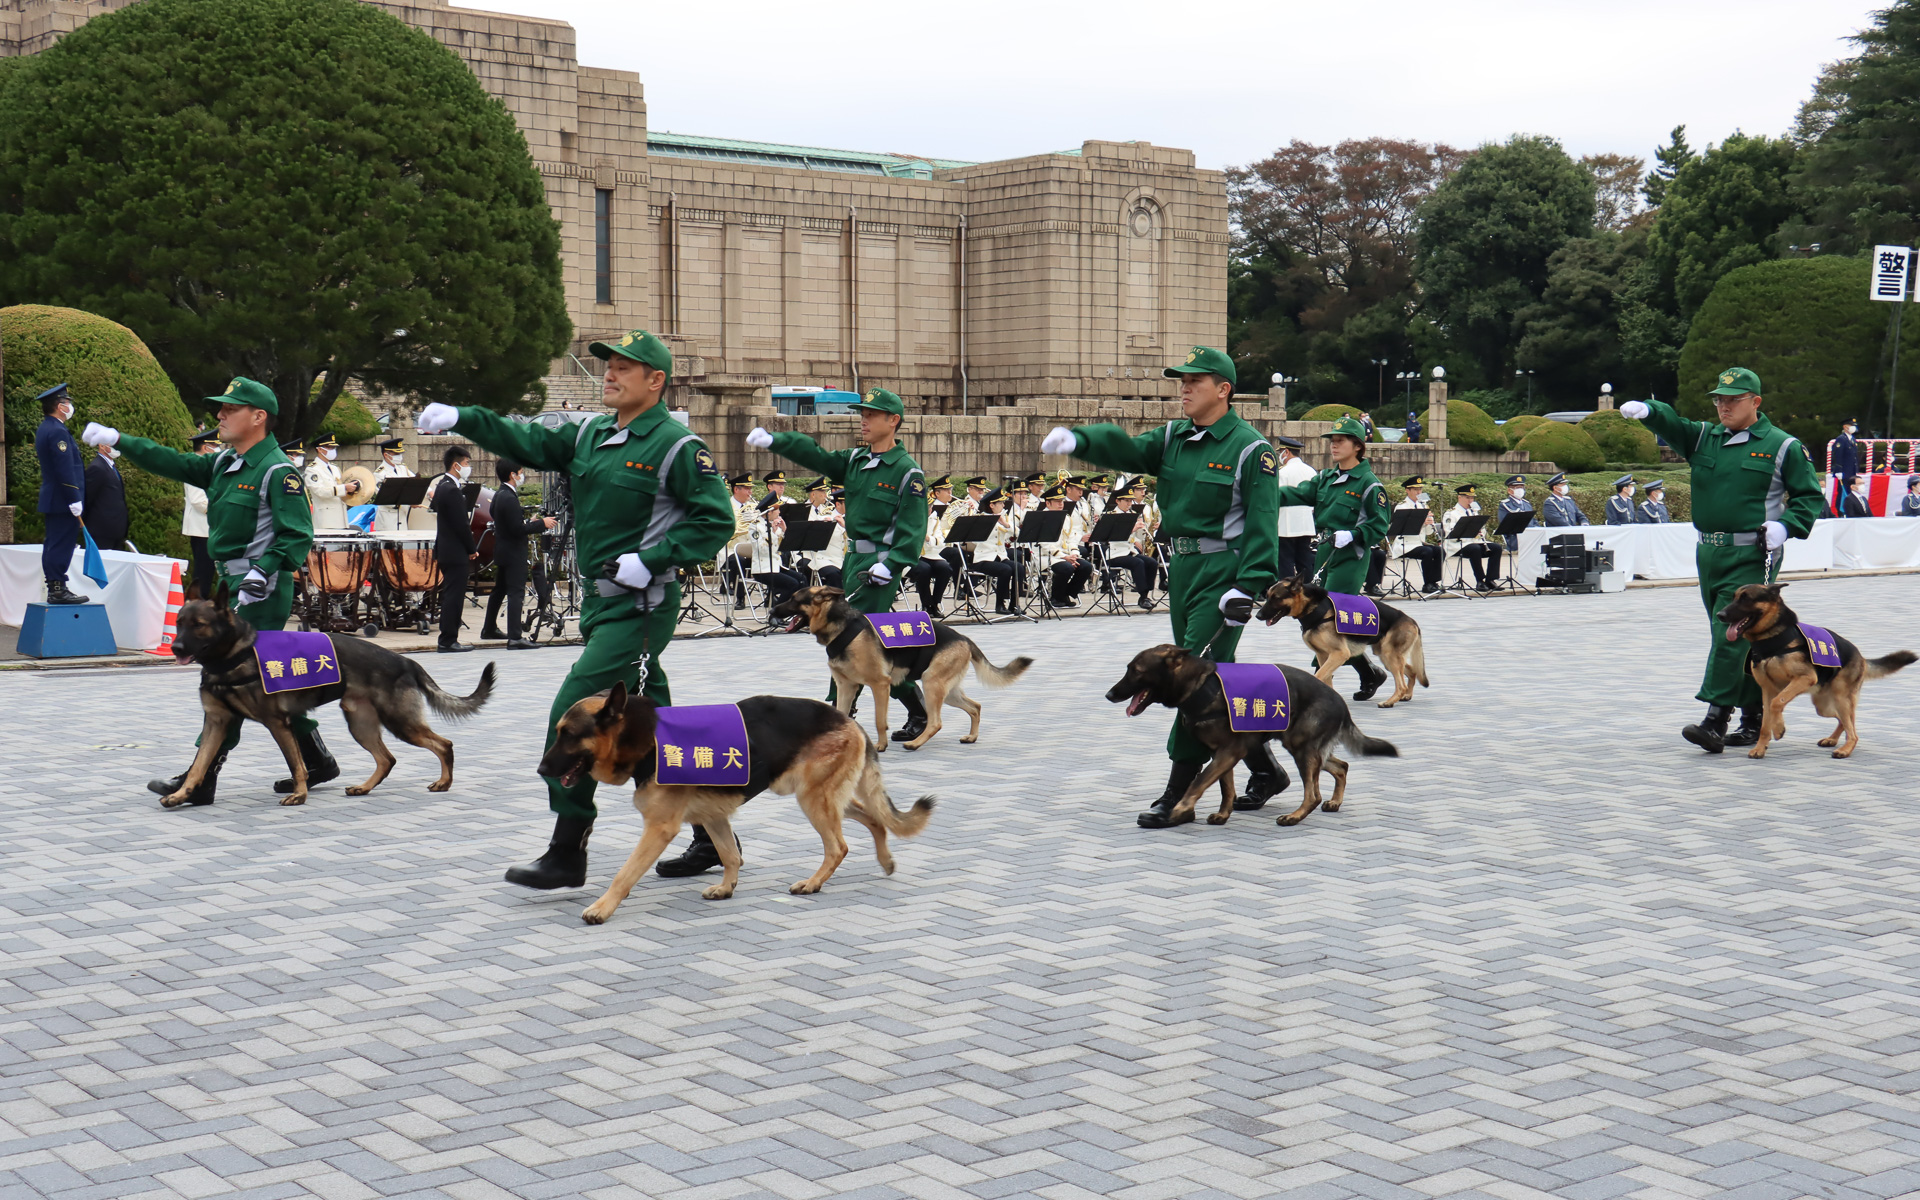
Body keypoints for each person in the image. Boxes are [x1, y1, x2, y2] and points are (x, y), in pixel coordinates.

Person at [412, 329, 735, 887]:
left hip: (641, 605)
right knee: (656, 724)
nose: (610, 373)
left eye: (624, 367)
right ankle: (710, 832)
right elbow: (528, 438)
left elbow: (716, 520)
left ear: (655, 381)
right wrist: (467, 417)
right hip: (599, 603)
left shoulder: (678, 447)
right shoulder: (589, 433)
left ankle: (568, 848)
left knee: (574, 718)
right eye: (608, 364)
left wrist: (654, 558)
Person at [1038, 344, 1286, 825]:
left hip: (1223, 571)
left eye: (1195, 381)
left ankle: (1180, 796)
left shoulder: (1251, 450)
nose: (1185, 389)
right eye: (1182, 381)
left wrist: (1249, 585)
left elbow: (1263, 521)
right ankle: (1264, 769)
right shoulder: (1174, 435)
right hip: (1184, 568)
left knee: (1187, 678)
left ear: (1224, 389)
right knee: (1215, 676)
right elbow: (1129, 449)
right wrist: (1079, 439)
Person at [90, 378, 329, 804]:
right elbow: (172, 461)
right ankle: (317, 759)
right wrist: (120, 439)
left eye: (230, 409)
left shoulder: (278, 471)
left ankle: (201, 779)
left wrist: (263, 571)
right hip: (231, 584)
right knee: (262, 681)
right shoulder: (225, 462)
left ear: (258, 417)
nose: (220, 414)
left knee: (228, 677)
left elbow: (296, 535)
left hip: (260, 589)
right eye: (221, 408)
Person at [1620, 366, 1826, 753]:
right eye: (1719, 399)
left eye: (1733, 400)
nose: (1724, 407)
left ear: (1755, 401)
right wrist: (1650, 410)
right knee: (1743, 638)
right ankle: (1753, 719)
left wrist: (1786, 526)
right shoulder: (1704, 437)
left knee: (1728, 634)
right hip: (1709, 552)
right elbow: (1673, 423)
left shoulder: (1782, 445)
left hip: (1752, 552)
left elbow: (1809, 497)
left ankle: (1715, 720)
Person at [748, 388, 932, 742]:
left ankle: (837, 715)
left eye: (871, 414)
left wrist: (892, 565)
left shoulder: (907, 472)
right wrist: (777, 441)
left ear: (893, 420)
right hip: (853, 559)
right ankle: (911, 709)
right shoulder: (856, 459)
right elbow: (817, 456)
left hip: (878, 564)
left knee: (850, 638)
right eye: (862, 413)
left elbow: (913, 528)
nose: (863, 420)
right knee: (868, 643)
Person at [1269, 416, 1391, 614]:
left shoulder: (1369, 484)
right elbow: (1297, 493)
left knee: (1333, 610)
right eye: (1332, 441)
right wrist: (1263, 495)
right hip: (1325, 549)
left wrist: (1353, 534)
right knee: (1318, 612)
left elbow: (1379, 525)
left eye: (1340, 441)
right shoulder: (1326, 477)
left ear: (1357, 446)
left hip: (1350, 554)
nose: (1334, 445)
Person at [480, 458, 556, 648]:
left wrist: (528, 522)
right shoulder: (509, 497)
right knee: (516, 592)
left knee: (499, 590)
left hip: (503, 550)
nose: (523, 476)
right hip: (513, 552)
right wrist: (542, 524)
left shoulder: (499, 494)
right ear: (512, 475)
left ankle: (489, 628)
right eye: (520, 472)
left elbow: (506, 523)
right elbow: (516, 529)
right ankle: (515, 637)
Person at [33, 383, 90, 605]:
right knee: (60, 544)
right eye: (67, 402)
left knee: (54, 543)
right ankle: (57, 589)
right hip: (62, 498)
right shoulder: (57, 431)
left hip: (56, 497)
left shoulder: (47, 427)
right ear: (60, 406)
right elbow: (64, 469)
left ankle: (56, 586)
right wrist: (74, 498)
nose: (70, 406)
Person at [430, 445, 479, 652]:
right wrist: (471, 548)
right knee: (454, 596)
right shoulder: (451, 489)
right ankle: (448, 640)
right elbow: (462, 525)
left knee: (451, 594)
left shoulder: (442, 485)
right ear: (456, 465)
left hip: (446, 549)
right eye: (466, 463)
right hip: (455, 550)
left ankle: (448, 638)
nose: (468, 467)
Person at [1369, 476, 1441, 595]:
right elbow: (1402, 529)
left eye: (1420, 489)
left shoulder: (1423, 506)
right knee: (1427, 552)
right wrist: (1421, 522)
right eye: (1416, 490)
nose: (1419, 492)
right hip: (1405, 544)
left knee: (1439, 551)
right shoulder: (1402, 506)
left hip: (1419, 543)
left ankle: (1433, 581)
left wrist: (1429, 523)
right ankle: (1427, 584)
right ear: (1407, 490)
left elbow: (1428, 533)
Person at [181, 428, 221, 598]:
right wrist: (221, 510)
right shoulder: (196, 466)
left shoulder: (206, 466)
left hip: (208, 528)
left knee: (207, 572)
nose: (219, 450)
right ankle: (197, 604)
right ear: (206, 447)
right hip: (201, 529)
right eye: (216, 446)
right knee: (202, 573)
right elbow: (198, 501)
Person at [1040, 484, 1092, 607]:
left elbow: (1071, 539)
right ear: (1048, 503)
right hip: (1048, 556)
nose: (1061, 504)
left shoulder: (1066, 517)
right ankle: (1055, 597)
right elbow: (1045, 545)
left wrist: (1074, 554)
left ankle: (1065, 594)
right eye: (1057, 502)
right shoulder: (1042, 518)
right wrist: (1064, 557)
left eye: (1062, 501)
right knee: (1067, 568)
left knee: (1086, 567)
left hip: (1065, 554)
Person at [909, 476, 955, 615]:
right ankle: (926, 604)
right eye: (926, 507)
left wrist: (929, 538)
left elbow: (940, 541)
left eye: (930, 506)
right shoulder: (910, 519)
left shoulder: (934, 519)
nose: (929, 509)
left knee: (945, 568)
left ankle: (935, 604)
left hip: (931, 554)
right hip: (913, 556)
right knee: (924, 569)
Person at [1443, 483, 1502, 590]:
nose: (1470, 501)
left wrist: (1480, 531)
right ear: (1459, 497)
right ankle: (1480, 580)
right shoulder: (1451, 513)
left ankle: (1490, 580)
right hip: (1457, 545)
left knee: (1496, 548)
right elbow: (1449, 533)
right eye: (1468, 498)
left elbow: (1483, 532)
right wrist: (1469, 531)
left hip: (1474, 542)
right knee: (1475, 549)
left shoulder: (1474, 512)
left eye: (1472, 498)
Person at [1273, 435, 1316, 581]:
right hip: (1306, 524)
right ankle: (1307, 588)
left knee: (1285, 562)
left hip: (1286, 525)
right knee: (1304, 561)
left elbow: (1277, 498)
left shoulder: (1283, 472)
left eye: (1281, 452)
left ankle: (1287, 589)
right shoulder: (1311, 471)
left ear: (1286, 452)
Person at [83, 438, 130, 552]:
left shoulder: (111, 467)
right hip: (102, 530)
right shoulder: (97, 467)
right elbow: (87, 497)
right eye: (112, 444)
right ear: (102, 446)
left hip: (116, 530)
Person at [303, 432, 356, 529]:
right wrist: (344, 488)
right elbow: (320, 491)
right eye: (329, 447)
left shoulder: (334, 468)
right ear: (319, 449)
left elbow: (341, 488)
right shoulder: (312, 469)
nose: (333, 450)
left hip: (340, 517)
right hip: (325, 519)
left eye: (333, 447)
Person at [372, 437, 417, 531]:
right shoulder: (379, 474)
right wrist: (409, 501)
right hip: (387, 520)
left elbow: (416, 482)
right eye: (396, 454)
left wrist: (429, 493)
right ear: (386, 455)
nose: (399, 456)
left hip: (402, 518)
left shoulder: (402, 468)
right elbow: (386, 498)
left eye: (400, 453)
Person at [1497, 475, 1533, 552]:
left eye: (1522, 487)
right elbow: (1505, 524)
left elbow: (1533, 521)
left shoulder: (1527, 504)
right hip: (1514, 537)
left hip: (1530, 535)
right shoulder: (1505, 505)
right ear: (1509, 490)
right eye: (1517, 488)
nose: (1520, 490)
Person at [1833, 416, 1860, 490]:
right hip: (1844, 470)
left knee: (1851, 490)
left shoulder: (1852, 439)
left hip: (1852, 470)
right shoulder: (1841, 439)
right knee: (1843, 491)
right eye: (1851, 425)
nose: (1854, 427)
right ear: (1845, 427)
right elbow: (1838, 455)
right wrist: (1839, 470)